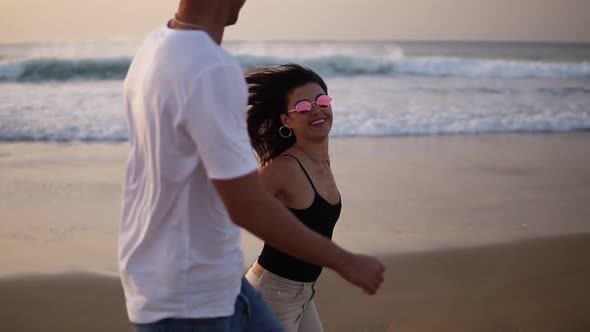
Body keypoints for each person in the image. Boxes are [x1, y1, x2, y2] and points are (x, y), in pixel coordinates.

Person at [119, 1, 385, 331]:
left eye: (322, 102)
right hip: (192, 297)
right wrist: (346, 262)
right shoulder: (210, 68)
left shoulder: (155, 48)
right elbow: (248, 206)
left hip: (198, 282)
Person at [244, 64, 343, 331]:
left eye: (321, 100)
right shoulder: (283, 168)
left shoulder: (320, 159)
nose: (316, 109)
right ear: (286, 120)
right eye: (302, 107)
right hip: (272, 296)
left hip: (302, 295)